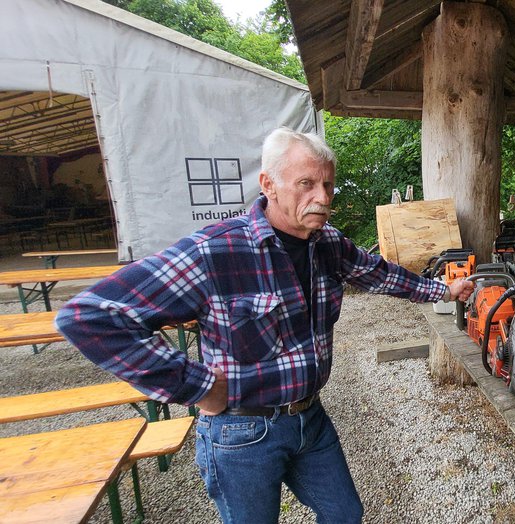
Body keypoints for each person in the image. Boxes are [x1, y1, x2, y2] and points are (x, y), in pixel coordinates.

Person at [55, 128, 475, 524]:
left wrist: (443, 290)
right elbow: (90, 316)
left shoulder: (328, 244)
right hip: (241, 432)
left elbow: (381, 274)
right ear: (268, 184)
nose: (322, 197)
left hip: (309, 418)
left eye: (328, 185)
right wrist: (196, 385)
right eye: (306, 184)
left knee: (345, 514)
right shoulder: (214, 251)